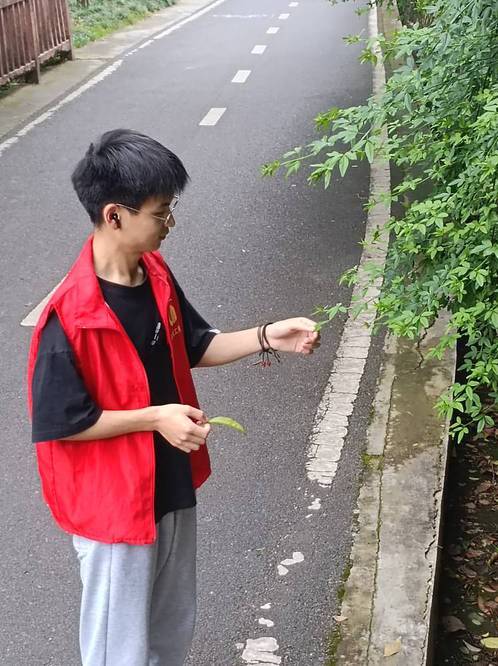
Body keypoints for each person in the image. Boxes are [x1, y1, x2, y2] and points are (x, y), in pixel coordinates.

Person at [27, 128, 321, 666]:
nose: (170, 223)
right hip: (115, 506)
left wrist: (267, 336)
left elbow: (193, 344)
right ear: (115, 215)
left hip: (170, 482)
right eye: (161, 212)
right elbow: (64, 422)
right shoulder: (70, 317)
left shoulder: (155, 273)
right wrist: (155, 418)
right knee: (118, 649)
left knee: (168, 634)